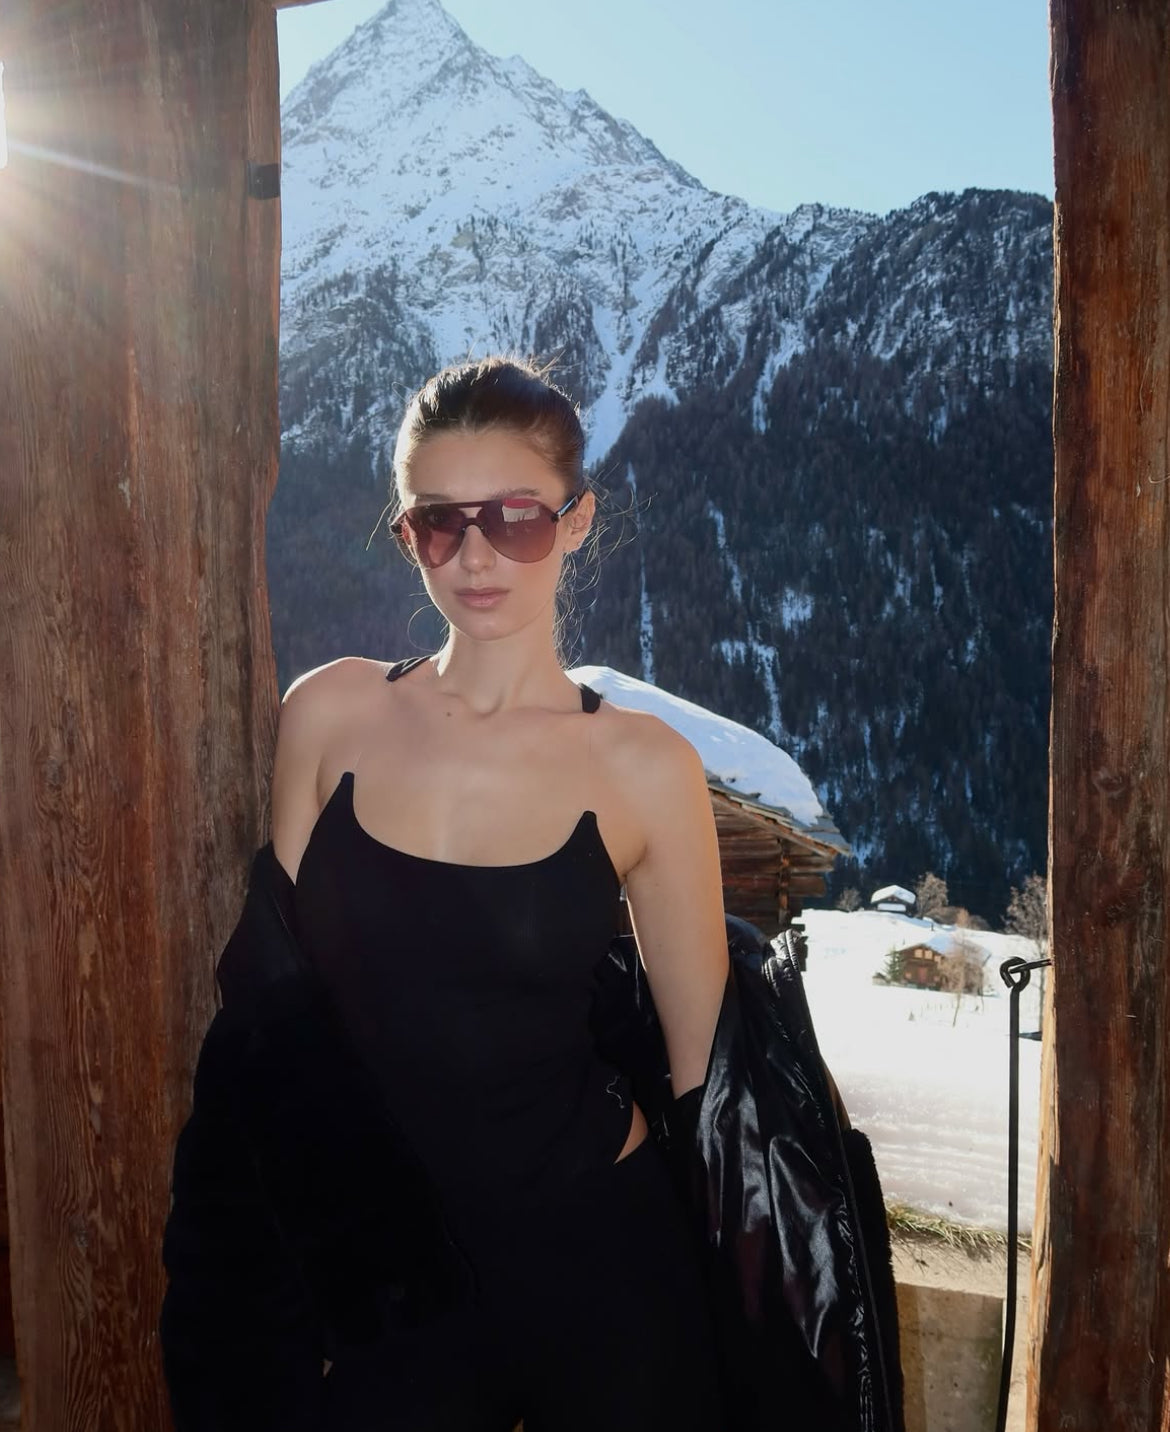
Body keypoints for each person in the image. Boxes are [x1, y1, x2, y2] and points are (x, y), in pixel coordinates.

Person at [267, 354, 731, 1429]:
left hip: (597, 1257)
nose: (475, 555)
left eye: (515, 517)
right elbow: (275, 1014)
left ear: (576, 522)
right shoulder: (328, 714)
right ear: (406, 533)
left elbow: (705, 1070)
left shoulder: (645, 767)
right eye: (440, 522)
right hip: (387, 1272)